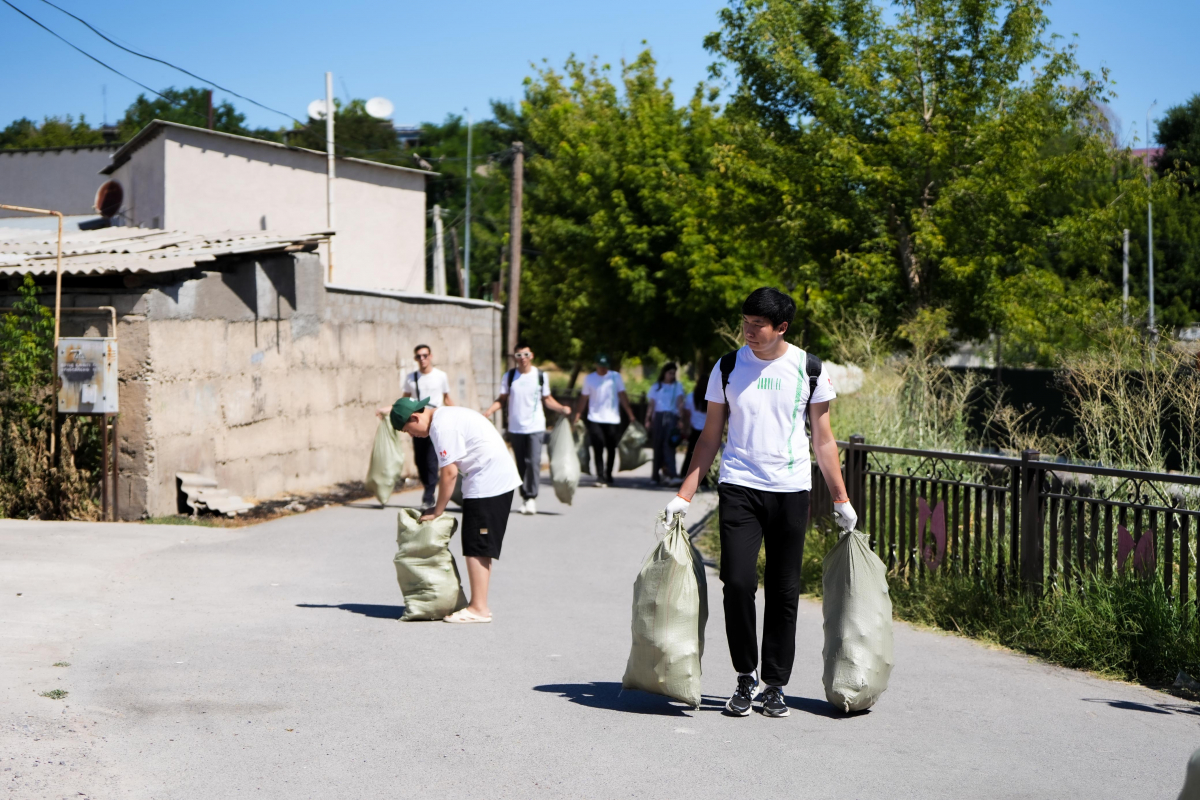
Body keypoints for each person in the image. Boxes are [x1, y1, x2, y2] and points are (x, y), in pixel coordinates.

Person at [664, 287, 857, 719]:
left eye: (758, 326)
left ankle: (775, 685)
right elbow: (709, 437)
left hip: (791, 489)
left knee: (784, 589)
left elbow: (824, 440)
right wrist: (684, 495)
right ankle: (744, 676)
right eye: (745, 323)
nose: (748, 332)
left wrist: (841, 499)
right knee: (737, 582)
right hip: (740, 486)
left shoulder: (809, 369)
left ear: (781, 327)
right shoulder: (727, 367)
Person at [385, 396, 520, 624]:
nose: (412, 435)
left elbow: (449, 473)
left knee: (477, 545)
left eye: (408, 430)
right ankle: (479, 604)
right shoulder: (445, 416)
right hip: (492, 479)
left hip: (488, 482)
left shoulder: (441, 427)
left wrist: (437, 510)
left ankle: (479, 608)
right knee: (478, 544)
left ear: (415, 417)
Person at [483, 342, 572, 515]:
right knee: (521, 464)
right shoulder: (510, 376)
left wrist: (561, 408)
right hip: (516, 427)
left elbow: (547, 399)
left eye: (525, 355)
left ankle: (531, 497)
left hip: (535, 426)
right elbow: (502, 399)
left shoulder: (540, 376)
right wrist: (488, 412)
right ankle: (525, 496)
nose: (522, 358)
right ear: (515, 357)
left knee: (533, 462)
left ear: (531, 356)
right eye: (519, 355)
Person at [402, 344, 455, 507]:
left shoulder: (440, 376)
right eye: (419, 356)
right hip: (418, 422)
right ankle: (428, 487)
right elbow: (404, 400)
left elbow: (447, 398)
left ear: (430, 356)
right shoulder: (411, 378)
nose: (422, 359)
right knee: (420, 460)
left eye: (425, 355)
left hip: (435, 421)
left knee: (431, 460)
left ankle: (429, 495)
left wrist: (456, 415)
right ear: (415, 358)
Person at [571, 354, 636, 487]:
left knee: (611, 447)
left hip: (612, 418)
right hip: (594, 417)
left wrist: (630, 414)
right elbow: (584, 398)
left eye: (605, 366)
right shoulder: (589, 378)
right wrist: (578, 414)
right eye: (600, 366)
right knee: (598, 445)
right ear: (596, 365)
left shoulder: (615, 377)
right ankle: (600, 476)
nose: (603, 369)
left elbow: (622, 395)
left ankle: (609, 474)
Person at [644, 362, 685, 485]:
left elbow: (680, 402)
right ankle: (655, 476)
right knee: (657, 446)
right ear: (664, 373)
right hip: (658, 417)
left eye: (673, 373)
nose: (671, 376)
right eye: (670, 373)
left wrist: (681, 419)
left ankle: (672, 474)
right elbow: (652, 404)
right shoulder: (657, 386)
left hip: (671, 416)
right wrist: (648, 418)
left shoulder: (677, 386)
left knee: (669, 446)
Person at [680, 381, 707, 483]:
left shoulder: (691, 396)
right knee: (705, 455)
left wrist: (686, 427)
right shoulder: (710, 397)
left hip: (694, 428)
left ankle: (685, 474)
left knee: (691, 453)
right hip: (706, 429)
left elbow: (687, 413)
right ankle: (704, 478)